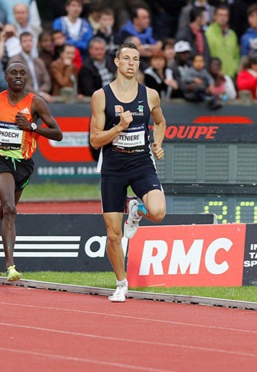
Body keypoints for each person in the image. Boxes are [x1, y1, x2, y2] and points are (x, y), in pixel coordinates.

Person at [89, 42, 166, 302]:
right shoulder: (101, 96)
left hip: (141, 163)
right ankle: (121, 284)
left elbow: (160, 121)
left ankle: (136, 210)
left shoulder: (151, 94)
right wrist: (119, 128)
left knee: (158, 212)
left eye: (136, 59)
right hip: (113, 168)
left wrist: (158, 142)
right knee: (113, 234)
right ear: (117, 62)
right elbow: (95, 140)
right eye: (127, 58)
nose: (132, 63)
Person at [0, 61, 63, 281]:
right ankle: (10, 267)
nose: (18, 76)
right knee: (11, 209)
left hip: (23, 163)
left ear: (27, 78)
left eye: (22, 73)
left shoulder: (36, 103)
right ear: (5, 78)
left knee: (8, 209)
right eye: (13, 73)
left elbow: (58, 134)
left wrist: (32, 127)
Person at [8, 31, 52, 101]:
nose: (28, 43)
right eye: (25, 41)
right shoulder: (15, 61)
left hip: (41, 99)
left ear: (34, 43)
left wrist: (40, 93)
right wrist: (39, 94)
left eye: (30, 40)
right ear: (20, 43)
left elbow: (47, 81)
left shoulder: (39, 61)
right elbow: (18, 82)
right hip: (21, 98)